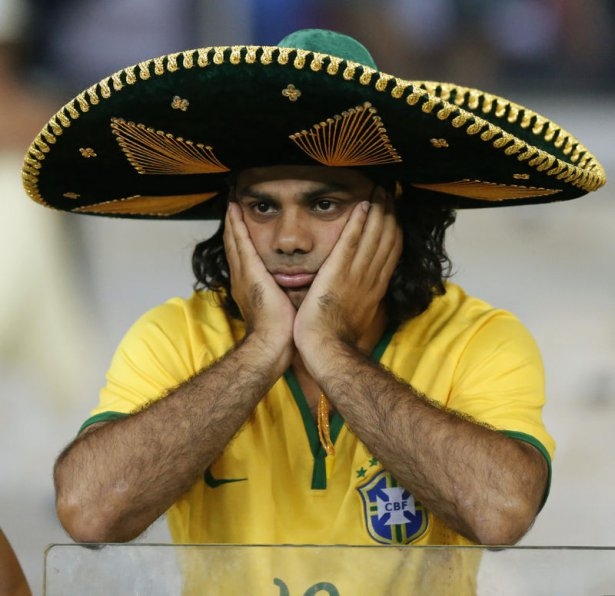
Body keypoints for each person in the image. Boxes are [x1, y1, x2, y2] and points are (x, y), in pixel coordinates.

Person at [21, 28, 605, 590]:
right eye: (262, 207)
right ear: (230, 218)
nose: (289, 239)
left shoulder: (477, 337)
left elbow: (501, 513)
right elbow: (89, 513)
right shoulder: (176, 333)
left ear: (394, 215)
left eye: (324, 205)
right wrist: (262, 348)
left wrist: (330, 349)